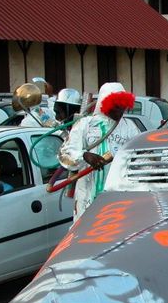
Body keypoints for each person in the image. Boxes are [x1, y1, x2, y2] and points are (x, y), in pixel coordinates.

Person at [58, 82, 140, 221]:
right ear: (104, 103)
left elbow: (139, 156)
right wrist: (84, 156)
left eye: (123, 105)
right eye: (116, 105)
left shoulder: (130, 127)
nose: (120, 110)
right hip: (88, 194)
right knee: (86, 233)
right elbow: (65, 153)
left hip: (118, 195)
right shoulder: (85, 125)